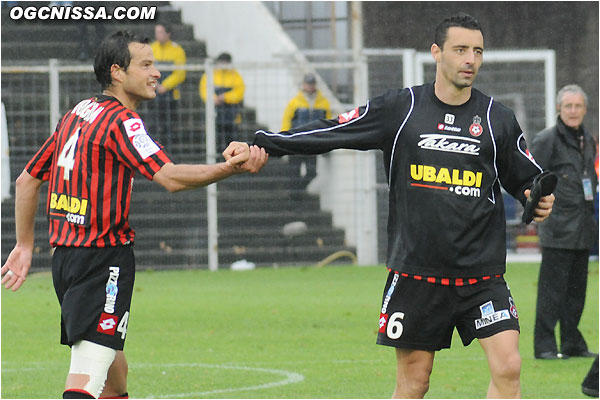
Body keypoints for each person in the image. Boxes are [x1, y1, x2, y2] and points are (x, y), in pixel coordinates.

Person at [252, 13, 555, 398]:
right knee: (415, 381)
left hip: (481, 275)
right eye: (460, 49)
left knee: (509, 366)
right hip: (417, 273)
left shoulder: (498, 119)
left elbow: (527, 180)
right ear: (436, 53)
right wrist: (266, 142)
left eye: (477, 51)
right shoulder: (401, 108)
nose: (470, 60)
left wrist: (537, 198)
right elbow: (333, 130)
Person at [0, 31, 267, 399]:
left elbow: (27, 180)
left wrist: (26, 245)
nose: (156, 72)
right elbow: (170, 177)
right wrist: (230, 170)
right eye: (146, 64)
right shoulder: (122, 122)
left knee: (114, 370)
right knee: (87, 377)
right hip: (102, 259)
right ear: (117, 73)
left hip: (66, 259)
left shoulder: (79, 111)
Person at [530, 84, 598, 360]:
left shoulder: (589, 139)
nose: (573, 111)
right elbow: (533, 177)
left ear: (585, 109)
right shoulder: (547, 139)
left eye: (577, 106)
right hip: (557, 227)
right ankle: (544, 346)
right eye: (568, 106)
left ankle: (572, 343)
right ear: (559, 108)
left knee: (576, 292)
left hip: (583, 227)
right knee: (551, 292)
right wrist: (536, 213)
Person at [281, 73, 331, 191]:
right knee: (294, 173)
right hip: (296, 142)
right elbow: (286, 120)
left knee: (311, 172)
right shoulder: (295, 102)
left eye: (312, 84)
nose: (310, 87)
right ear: (303, 85)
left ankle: (298, 191)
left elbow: (328, 123)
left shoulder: (323, 102)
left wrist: (328, 141)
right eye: (308, 84)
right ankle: (295, 197)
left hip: (312, 142)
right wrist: (284, 138)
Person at [147, 23, 187, 148]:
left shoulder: (177, 50)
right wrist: (156, 84)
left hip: (170, 93)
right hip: (153, 92)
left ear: (168, 34)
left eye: (160, 32)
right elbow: (146, 68)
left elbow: (180, 73)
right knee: (153, 124)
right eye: (156, 32)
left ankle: (169, 151)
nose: (157, 35)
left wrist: (165, 86)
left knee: (169, 125)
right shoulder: (151, 48)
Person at [199, 52, 245, 150]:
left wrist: (226, 97)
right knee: (216, 139)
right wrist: (213, 99)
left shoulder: (235, 75)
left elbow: (240, 92)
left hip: (231, 113)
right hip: (215, 113)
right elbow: (204, 89)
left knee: (232, 139)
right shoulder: (210, 74)